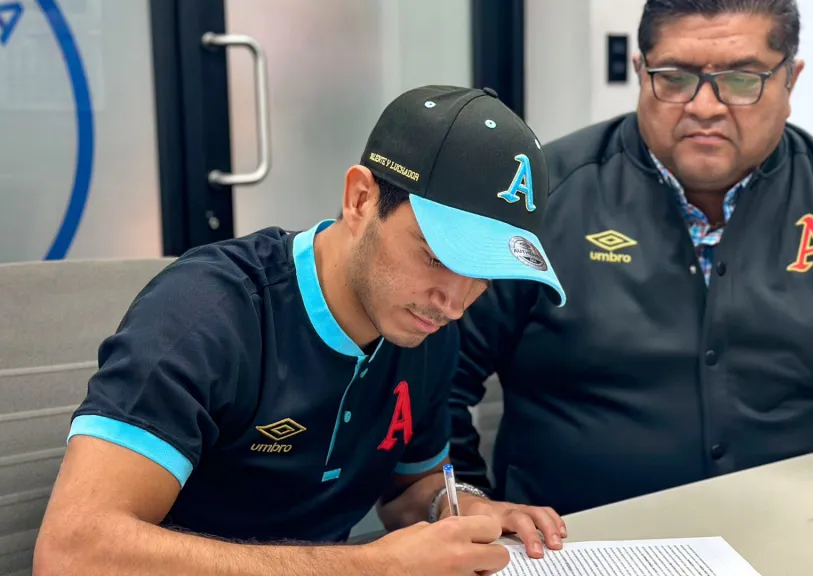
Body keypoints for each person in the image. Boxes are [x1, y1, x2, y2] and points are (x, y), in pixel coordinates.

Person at [449, 0, 813, 559]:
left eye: (741, 79)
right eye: (675, 78)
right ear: (640, 73)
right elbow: (430, 376)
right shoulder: (539, 199)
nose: (704, 106)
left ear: (790, 80)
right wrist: (459, 495)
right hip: (573, 547)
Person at [33, 85, 570, 576]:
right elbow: (71, 551)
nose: (454, 303)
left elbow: (410, 487)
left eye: (482, 276)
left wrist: (458, 506)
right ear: (360, 200)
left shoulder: (425, 323)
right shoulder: (207, 315)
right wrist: (368, 568)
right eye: (434, 257)